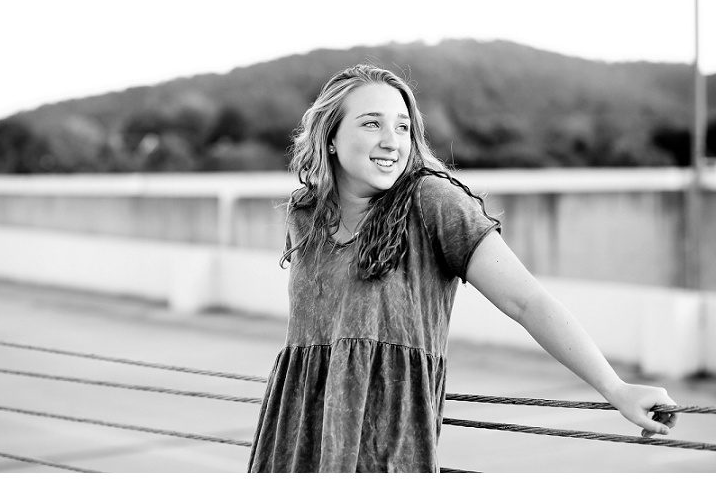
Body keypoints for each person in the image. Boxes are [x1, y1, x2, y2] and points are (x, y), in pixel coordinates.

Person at [248, 65, 676, 471]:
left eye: (402, 126)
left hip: (386, 444)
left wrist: (615, 388)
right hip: (294, 438)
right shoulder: (305, 215)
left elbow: (526, 301)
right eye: (371, 123)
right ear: (331, 137)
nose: (392, 140)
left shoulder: (432, 202)